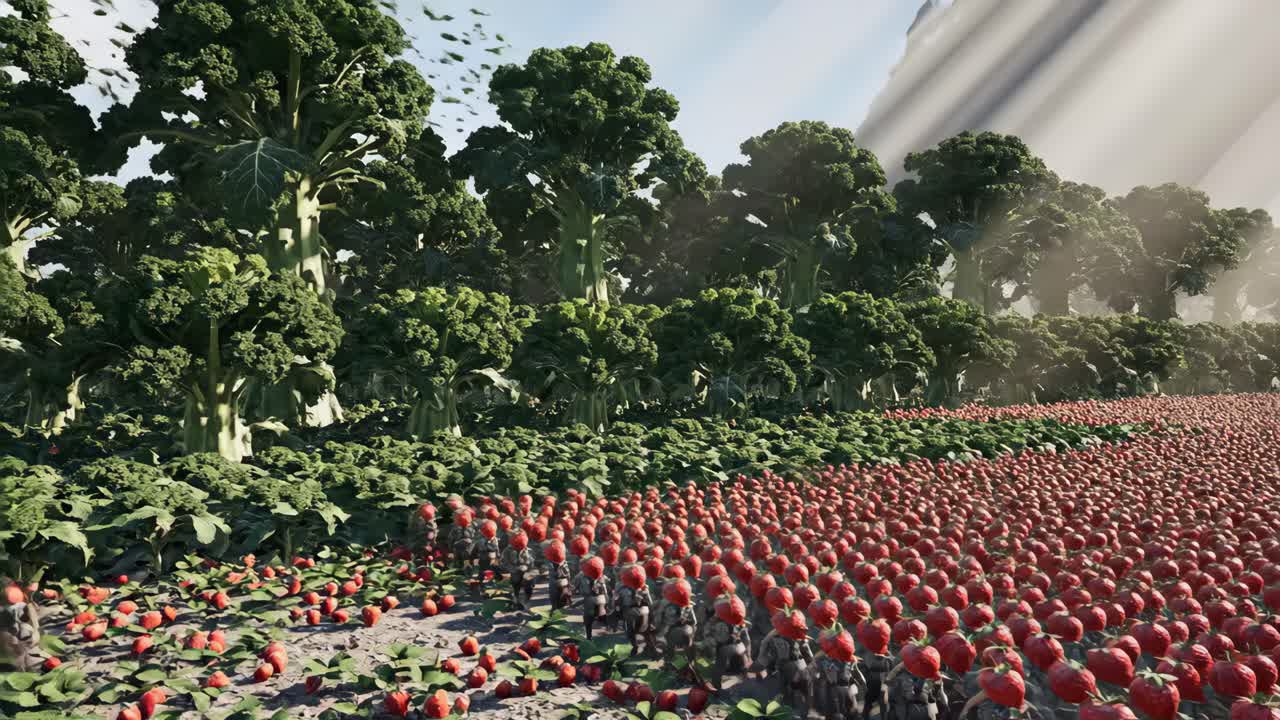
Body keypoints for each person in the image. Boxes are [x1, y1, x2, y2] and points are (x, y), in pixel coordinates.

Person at [702, 595, 753, 690]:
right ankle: (720, 686)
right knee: (737, 667)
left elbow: (746, 638)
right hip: (731, 647)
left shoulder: (734, 619)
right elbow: (746, 639)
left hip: (732, 647)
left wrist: (748, 655)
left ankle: (718, 686)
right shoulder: (734, 619)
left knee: (733, 667)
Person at [573, 556, 611, 640]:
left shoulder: (580, 576)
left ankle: (589, 637)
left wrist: (574, 591)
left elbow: (574, 587)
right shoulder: (601, 575)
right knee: (605, 612)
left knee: (588, 620)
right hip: (602, 598)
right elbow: (607, 586)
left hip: (589, 599)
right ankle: (608, 626)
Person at [499, 531, 535, 610]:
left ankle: (525, 601)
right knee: (514, 583)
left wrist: (527, 569)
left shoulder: (529, 551)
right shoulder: (507, 551)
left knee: (530, 583)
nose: (520, 549)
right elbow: (503, 564)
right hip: (513, 573)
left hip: (526, 574)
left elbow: (533, 565)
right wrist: (515, 569)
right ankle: (515, 600)